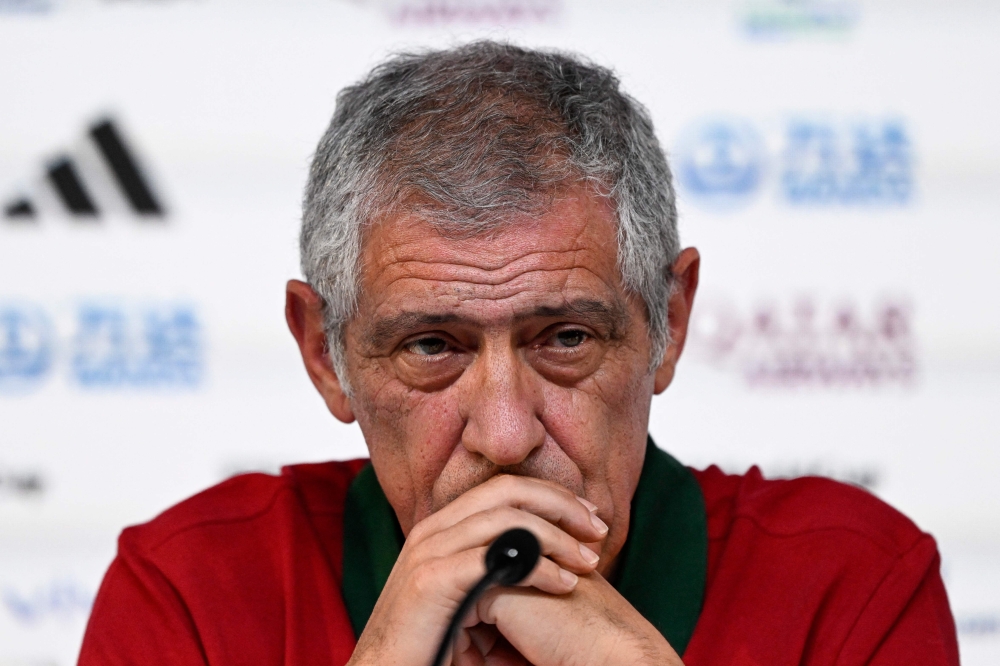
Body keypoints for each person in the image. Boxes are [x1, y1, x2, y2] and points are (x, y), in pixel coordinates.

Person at [78, 42, 959, 666]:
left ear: (669, 322)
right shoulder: (190, 591)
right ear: (323, 352)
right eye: (432, 347)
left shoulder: (852, 584)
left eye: (565, 339)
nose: (504, 435)